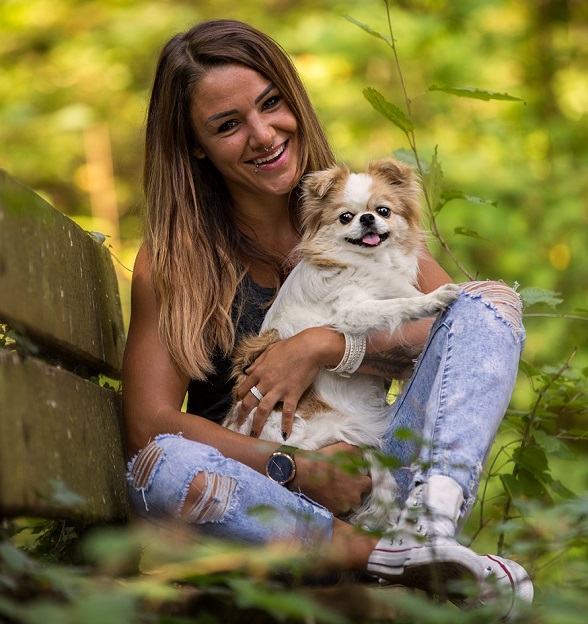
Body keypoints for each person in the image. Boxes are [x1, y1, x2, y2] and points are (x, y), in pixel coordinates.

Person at [122, 18, 533, 620]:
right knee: (163, 468)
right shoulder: (174, 256)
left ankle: (430, 523)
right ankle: (391, 557)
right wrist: (297, 469)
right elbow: (148, 425)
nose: (262, 135)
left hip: (377, 468)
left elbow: (455, 324)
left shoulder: (360, 204)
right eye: (228, 125)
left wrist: (325, 346)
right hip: (259, 491)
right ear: (194, 144)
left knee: (490, 303)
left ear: (294, 99)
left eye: (271, 104)